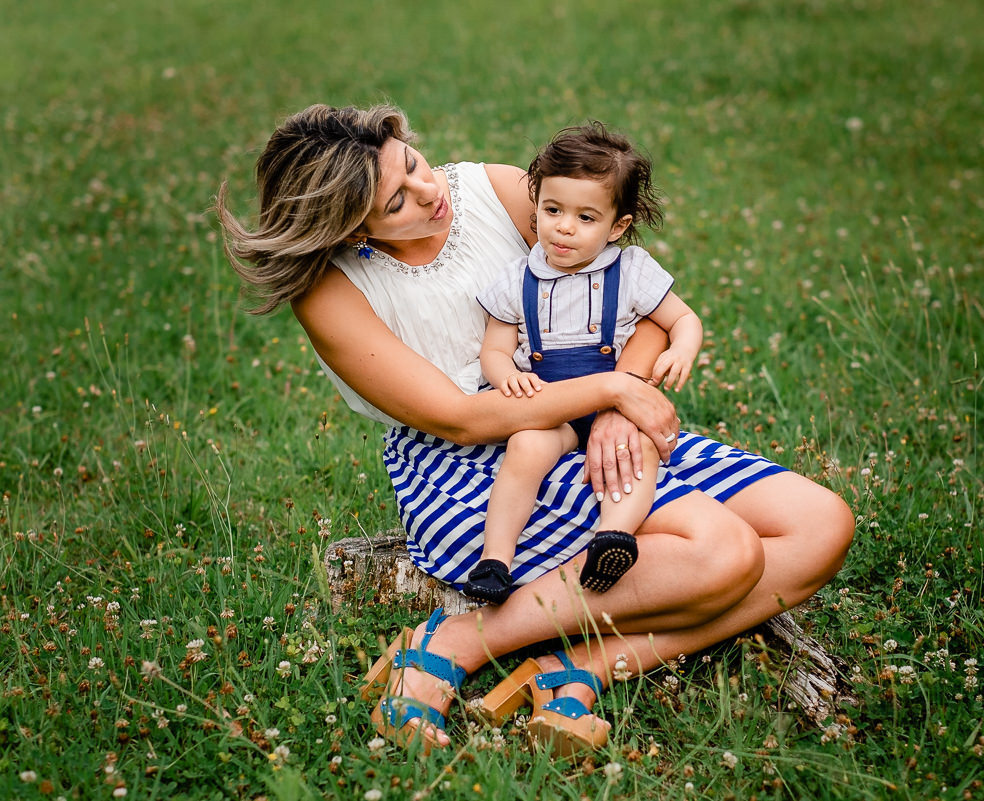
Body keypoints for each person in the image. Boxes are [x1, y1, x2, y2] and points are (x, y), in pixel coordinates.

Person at [217, 104, 854, 757]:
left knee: (821, 525)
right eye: (396, 203)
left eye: (413, 165)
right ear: (350, 229)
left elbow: (638, 301)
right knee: (725, 553)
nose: (429, 195)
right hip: (470, 461)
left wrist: (614, 406)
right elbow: (455, 417)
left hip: (587, 414)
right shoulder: (329, 288)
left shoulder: (492, 192)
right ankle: (459, 641)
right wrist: (610, 390)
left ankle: (578, 665)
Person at [465, 122, 702, 605]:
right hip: (551, 405)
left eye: (586, 217)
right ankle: (495, 560)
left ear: (617, 226)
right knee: (527, 447)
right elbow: (494, 347)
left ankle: (611, 538)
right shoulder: (517, 278)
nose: (564, 227)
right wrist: (507, 375)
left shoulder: (630, 270)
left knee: (639, 454)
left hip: (616, 404)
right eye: (552, 210)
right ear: (537, 209)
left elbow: (684, 320)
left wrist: (681, 349)